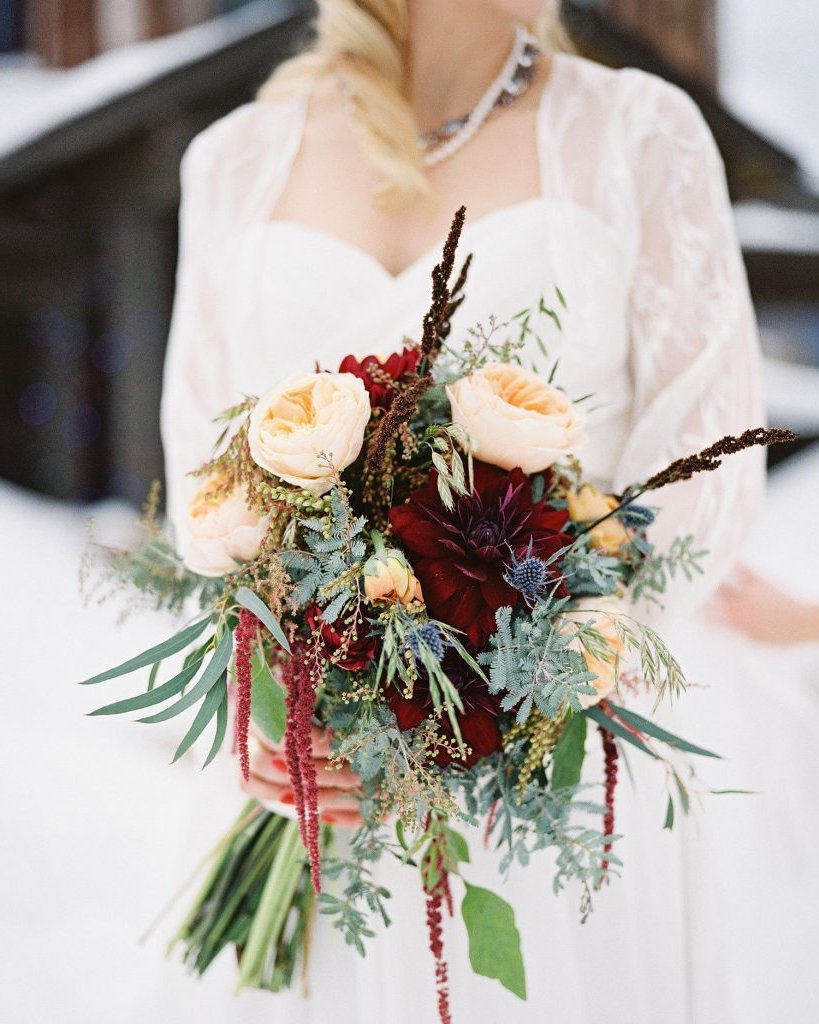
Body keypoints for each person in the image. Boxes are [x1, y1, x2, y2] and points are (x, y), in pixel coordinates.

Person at [160, 2, 771, 1021]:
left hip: (554, 787)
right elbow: (203, 487)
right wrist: (273, 703)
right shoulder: (234, 160)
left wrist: (525, 670)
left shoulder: (638, 134)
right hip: (322, 794)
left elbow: (707, 475)